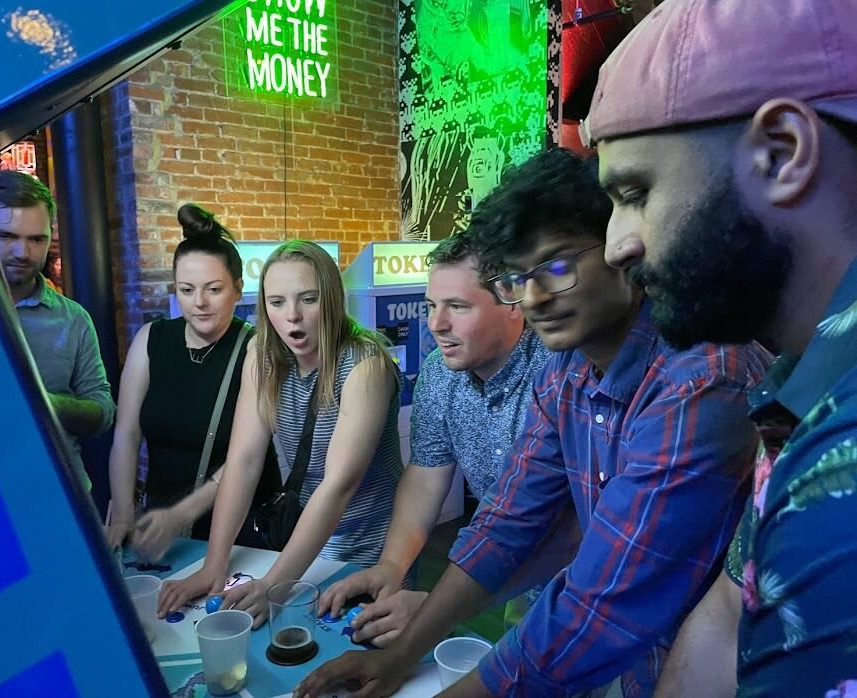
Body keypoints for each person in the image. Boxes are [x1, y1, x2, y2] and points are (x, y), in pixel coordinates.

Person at [296, 148, 772, 698]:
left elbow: (604, 598)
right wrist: (401, 657)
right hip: (633, 661)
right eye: (517, 278)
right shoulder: (567, 368)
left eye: (557, 267)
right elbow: (508, 523)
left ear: (621, 247)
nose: (535, 298)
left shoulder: (700, 380)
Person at [582, 0, 857, 694]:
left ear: (782, 153)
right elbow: (735, 603)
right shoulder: (802, 382)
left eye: (635, 191)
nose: (616, 246)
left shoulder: (841, 473)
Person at [318, 232, 556, 647]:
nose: (436, 324)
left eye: (457, 307)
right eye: (431, 306)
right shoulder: (439, 373)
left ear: (512, 303)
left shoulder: (558, 370)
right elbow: (426, 476)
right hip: (507, 575)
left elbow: (578, 527)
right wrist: (392, 565)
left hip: (595, 574)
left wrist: (440, 607)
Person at [157, 240, 403, 626]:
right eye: (277, 302)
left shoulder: (364, 364)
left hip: (371, 551)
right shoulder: (262, 354)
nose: (292, 316)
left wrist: (274, 584)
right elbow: (243, 460)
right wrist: (214, 566)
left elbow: (337, 485)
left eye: (308, 299)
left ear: (333, 299)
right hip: (305, 545)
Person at [105, 204, 281, 561]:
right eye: (186, 290)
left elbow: (246, 457)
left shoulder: (255, 349)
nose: (199, 303)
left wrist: (181, 514)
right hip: (159, 528)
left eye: (213, 290)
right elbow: (126, 433)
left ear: (237, 288)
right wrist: (124, 513)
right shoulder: (151, 339)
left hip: (239, 529)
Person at [0, 171, 115, 492]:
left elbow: (103, 411)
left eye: (36, 239)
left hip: (60, 497)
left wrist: (47, 403)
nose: (23, 253)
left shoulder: (73, 318)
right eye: (7, 236)